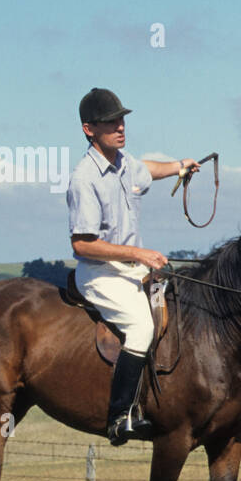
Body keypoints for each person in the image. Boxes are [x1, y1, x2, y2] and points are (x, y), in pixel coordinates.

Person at [66, 87, 200, 445]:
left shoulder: (125, 163)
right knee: (141, 328)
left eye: (122, 119)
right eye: (111, 122)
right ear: (88, 129)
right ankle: (119, 416)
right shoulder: (85, 178)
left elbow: (147, 171)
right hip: (101, 274)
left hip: (130, 269)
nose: (120, 127)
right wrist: (138, 255)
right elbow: (82, 244)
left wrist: (178, 167)